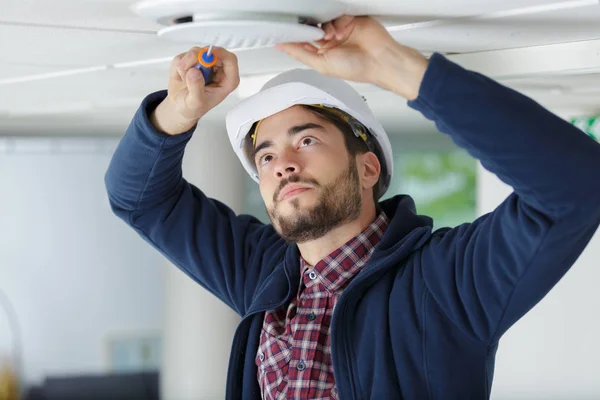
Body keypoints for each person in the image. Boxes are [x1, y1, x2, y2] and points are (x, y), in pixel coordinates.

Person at [105, 15, 600, 400]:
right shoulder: (262, 273)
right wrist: (179, 110)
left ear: (367, 169)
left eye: (307, 140)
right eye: (267, 155)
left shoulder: (443, 283)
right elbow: (140, 198)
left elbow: (576, 186)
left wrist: (390, 65)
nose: (281, 165)